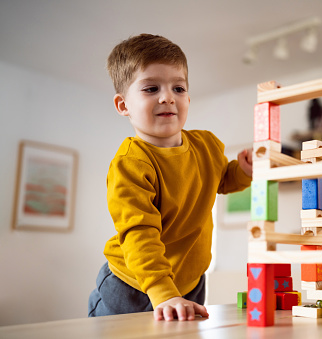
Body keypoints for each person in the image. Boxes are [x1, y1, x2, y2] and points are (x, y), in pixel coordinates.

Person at [88, 33, 253, 322]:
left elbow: (222, 180)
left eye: (178, 88)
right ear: (123, 105)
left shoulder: (207, 145)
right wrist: (162, 291)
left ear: (188, 97)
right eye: (151, 88)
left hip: (189, 283)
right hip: (134, 284)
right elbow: (139, 233)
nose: (167, 97)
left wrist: (243, 171)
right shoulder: (131, 163)